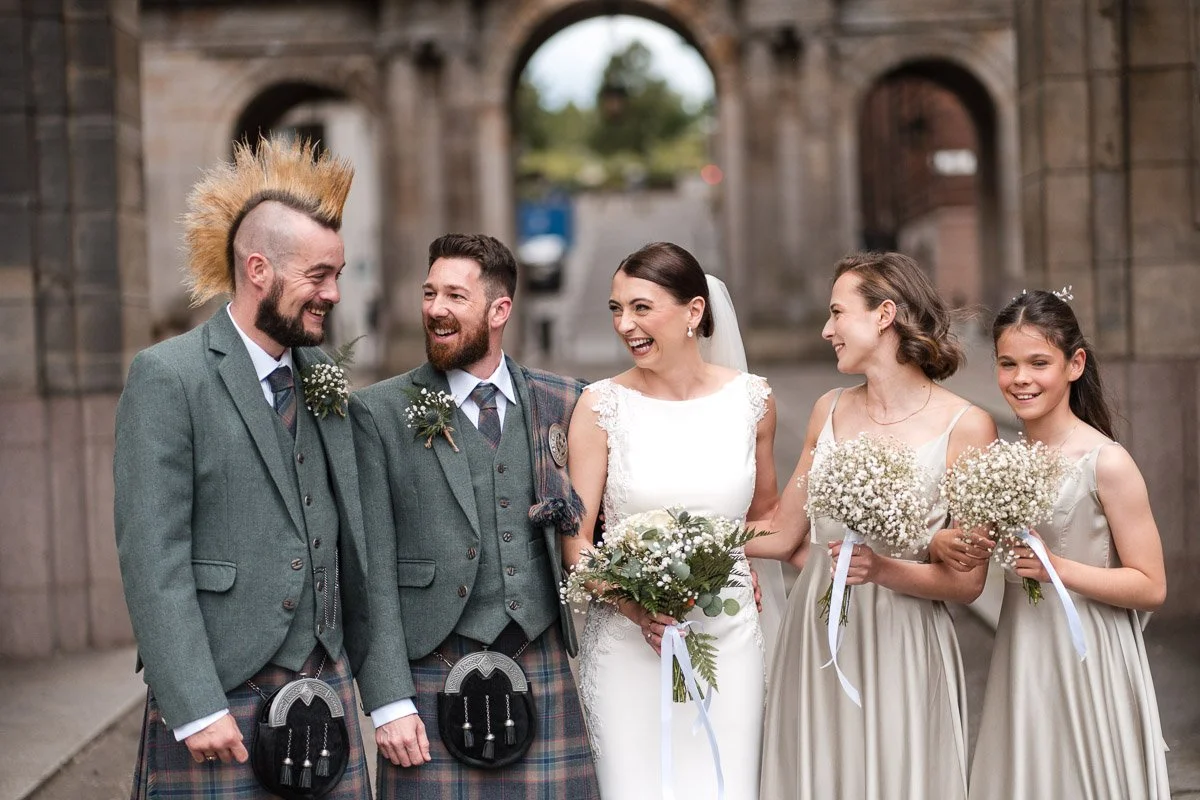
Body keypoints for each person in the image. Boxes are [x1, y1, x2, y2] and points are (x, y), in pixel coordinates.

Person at [114, 136, 371, 798]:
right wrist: (194, 702)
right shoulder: (168, 376)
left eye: (337, 274)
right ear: (259, 270)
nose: (335, 294)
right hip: (222, 688)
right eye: (319, 277)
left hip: (325, 681)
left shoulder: (325, 379)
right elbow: (153, 555)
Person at [349, 233, 600, 799]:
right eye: (429, 292)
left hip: (540, 662)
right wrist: (388, 700)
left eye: (455, 296)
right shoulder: (378, 413)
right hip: (430, 670)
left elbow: (603, 529)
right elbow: (370, 572)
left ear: (499, 310)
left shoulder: (563, 401)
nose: (436, 308)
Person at [756, 251, 997, 799]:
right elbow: (783, 533)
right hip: (818, 632)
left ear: (884, 314)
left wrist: (884, 568)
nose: (827, 329)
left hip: (904, 638)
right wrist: (688, 537)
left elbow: (968, 583)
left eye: (838, 313)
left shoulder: (967, 426)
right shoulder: (829, 408)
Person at [934, 289, 1170, 799]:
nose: (1021, 378)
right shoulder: (998, 459)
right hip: (1023, 647)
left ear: (1074, 363)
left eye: (1039, 362)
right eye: (1008, 363)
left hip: (1089, 651)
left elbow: (1151, 586)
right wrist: (947, 543)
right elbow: (970, 557)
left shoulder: (1106, 461)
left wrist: (1055, 567)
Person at [565, 242, 779, 799]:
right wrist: (638, 606)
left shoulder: (752, 402)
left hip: (726, 641)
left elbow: (765, 520)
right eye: (616, 308)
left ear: (694, 312)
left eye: (640, 307)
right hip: (629, 647)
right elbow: (577, 540)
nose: (625, 324)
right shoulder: (600, 406)